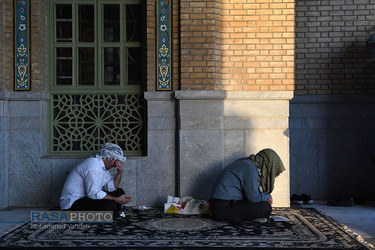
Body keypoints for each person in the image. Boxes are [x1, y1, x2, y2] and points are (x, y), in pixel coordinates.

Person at [211, 148, 285, 223]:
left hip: (221, 205)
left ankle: (250, 217)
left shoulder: (248, 163)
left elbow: (250, 194)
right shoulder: (250, 168)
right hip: (223, 209)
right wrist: (267, 196)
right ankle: (250, 218)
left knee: (260, 204)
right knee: (266, 207)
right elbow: (254, 197)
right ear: (268, 164)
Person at [60, 143, 132, 216]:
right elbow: (93, 193)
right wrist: (116, 199)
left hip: (87, 198)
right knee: (109, 205)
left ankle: (111, 211)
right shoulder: (93, 166)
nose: (115, 165)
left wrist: (119, 173)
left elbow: (111, 188)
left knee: (119, 192)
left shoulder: (102, 166)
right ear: (108, 157)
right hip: (72, 204)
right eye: (115, 161)